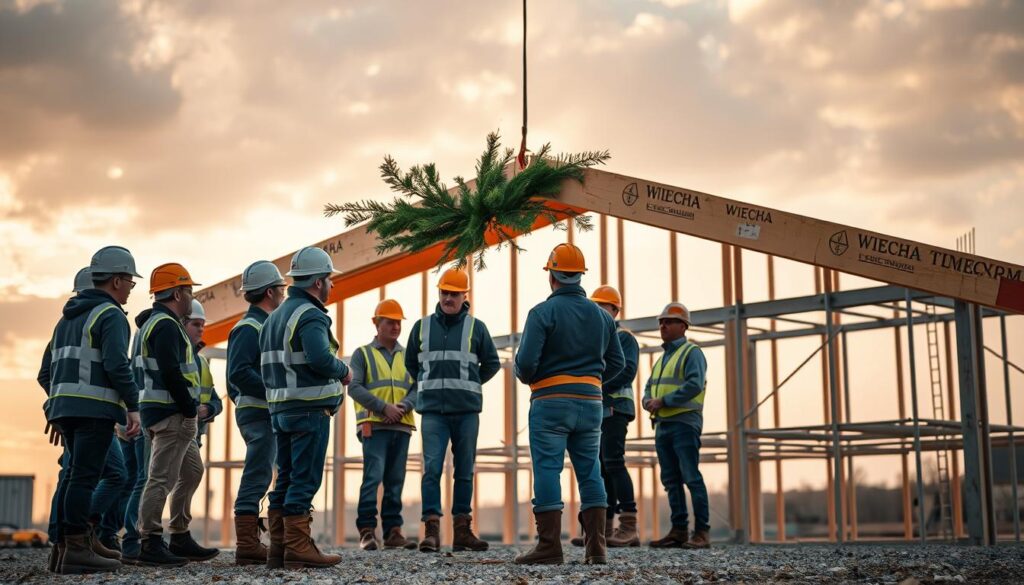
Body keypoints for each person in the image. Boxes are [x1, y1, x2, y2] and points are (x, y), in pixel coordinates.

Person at [513, 244, 625, 565]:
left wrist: (533, 375)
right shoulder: (603, 317)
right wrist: (591, 379)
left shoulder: (542, 313)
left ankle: (549, 546)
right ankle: (597, 548)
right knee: (590, 469)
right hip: (591, 402)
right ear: (579, 276)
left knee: (548, 468)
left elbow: (525, 364)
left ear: (552, 275)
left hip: (550, 401)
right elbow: (616, 363)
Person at [43, 247, 142, 574]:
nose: (131, 287)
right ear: (116, 280)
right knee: (85, 477)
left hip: (65, 409)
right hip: (93, 409)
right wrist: (133, 405)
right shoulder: (110, 315)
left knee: (75, 475)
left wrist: (57, 405)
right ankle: (77, 549)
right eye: (129, 280)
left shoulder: (66, 319)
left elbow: (50, 370)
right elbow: (117, 364)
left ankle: (67, 548)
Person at [260, 247, 351, 570]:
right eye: (329, 279)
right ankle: (298, 548)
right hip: (309, 410)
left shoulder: (274, 318)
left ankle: (279, 549)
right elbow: (319, 358)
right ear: (317, 282)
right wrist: (345, 372)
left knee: (284, 477)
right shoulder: (310, 315)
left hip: (281, 410)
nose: (331, 286)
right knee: (305, 478)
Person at [404, 268, 501, 553]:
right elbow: (412, 363)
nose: (448, 298)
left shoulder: (476, 328)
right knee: (431, 469)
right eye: (444, 292)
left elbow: (492, 363)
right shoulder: (421, 327)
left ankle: (462, 532)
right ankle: (431, 531)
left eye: (453, 294)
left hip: (466, 411)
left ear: (464, 296)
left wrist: (470, 383)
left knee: (464, 471)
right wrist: (428, 384)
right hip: (433, 411)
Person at [134, 263, 218, 565]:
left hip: (167, 412)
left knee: (192, 471)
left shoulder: (157, 324)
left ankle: (179, 535)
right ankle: (151, 542)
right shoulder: (166, 326)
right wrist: (188, 410)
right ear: (178, 292)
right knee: (161, 479)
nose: (190, 296)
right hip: (172, 414)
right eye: (188, 290)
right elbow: (171, 372)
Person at [227, 260, 286, 565]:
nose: (284, 294)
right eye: (281, 289)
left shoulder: (263, 325)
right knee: (258, 472)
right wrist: (276, 388)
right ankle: (247, 543)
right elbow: (237, 373)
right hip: (258, 413)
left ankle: (255, 541)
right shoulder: (250, 328)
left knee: (264, 471)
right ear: (269, 292)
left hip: (263, 412)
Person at [349, 299, 418, 551]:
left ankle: (392, 532)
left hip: (401, 426)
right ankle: (367, 531)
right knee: (373, 477)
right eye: (390, 321)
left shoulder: (409, 355)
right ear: (377, 323)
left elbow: (417, 386)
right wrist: (383, 408)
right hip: (374, 426)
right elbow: (354, 387)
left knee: (396, 480)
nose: (395, 326)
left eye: (398, 322)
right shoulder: (362, 354)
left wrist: (404, 407)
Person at [643, 302, 711, 549]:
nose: (663, 325)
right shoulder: (662, 359)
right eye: (661, 322)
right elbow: (649, 386)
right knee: (671, 479)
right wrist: (647, 400)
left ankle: (702, 532)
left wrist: (664, 401)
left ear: (683, 326)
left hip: (684, 422)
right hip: (662, 424)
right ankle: (679, 530)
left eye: (669, 321)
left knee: (691, 477)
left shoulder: (692, 353)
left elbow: (694, 384)